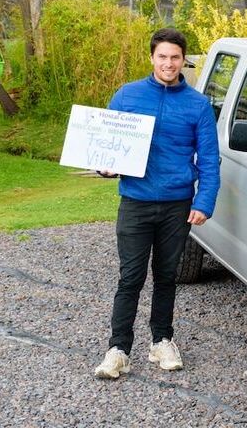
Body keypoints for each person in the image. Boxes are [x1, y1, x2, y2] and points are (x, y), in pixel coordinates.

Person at [94, 28, 220, 379]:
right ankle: (118, 349)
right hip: (135, 201)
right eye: (162, 56)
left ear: (184, 60)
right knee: (130, 277)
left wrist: (204, 201)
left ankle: (162, 340)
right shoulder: (127, 96)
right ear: (152, 58)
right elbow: (106, 146)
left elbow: (210, 160)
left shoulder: (198, 105)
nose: (168, 63)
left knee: (166, 276)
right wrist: (105, 167)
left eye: (175, 57)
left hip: (177, 205)